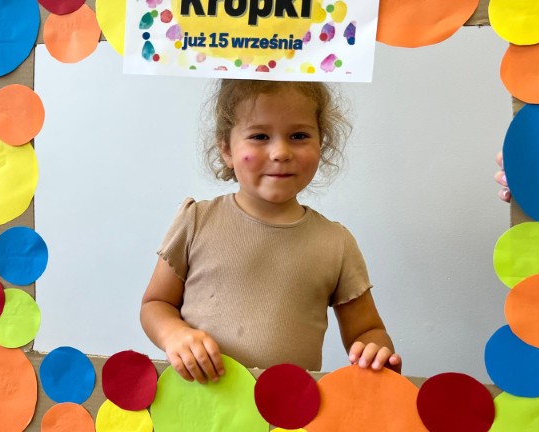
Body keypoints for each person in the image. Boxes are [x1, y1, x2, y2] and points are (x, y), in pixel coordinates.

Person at [140, 79, 401, 384]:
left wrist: (375, 352)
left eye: (299, 135)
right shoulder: (197, 220)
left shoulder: (336, 243)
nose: (280, 152)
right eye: (260, 136)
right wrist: (174, 334)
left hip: (288, 407)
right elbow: (155, 304)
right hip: (200, 402)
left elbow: (367, 330)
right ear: (226, 148)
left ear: (321, 143)